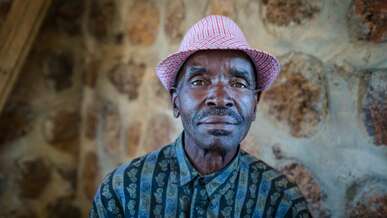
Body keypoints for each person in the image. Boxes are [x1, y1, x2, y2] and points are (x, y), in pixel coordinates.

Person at [89, 15, 311, 218]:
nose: (220, 98)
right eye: (199, 81)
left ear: (255, 104)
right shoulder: (122, 192)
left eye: (238, 83)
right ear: (175, 101)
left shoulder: (281, 203)